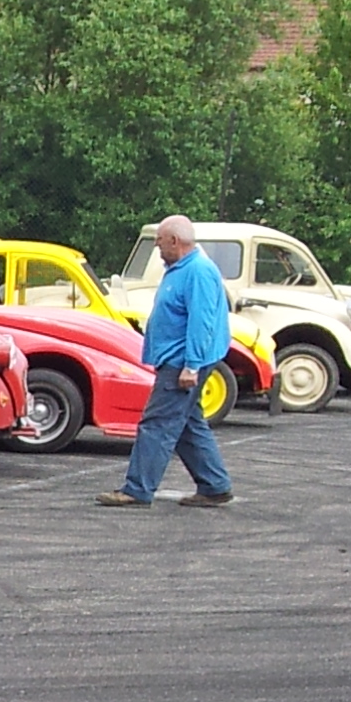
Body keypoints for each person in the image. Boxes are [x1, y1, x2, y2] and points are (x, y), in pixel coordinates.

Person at [100, 215, 235, 508]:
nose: (157, 246)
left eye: (159, 241)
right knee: (187, 424)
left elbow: (202, 322)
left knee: (157, 424)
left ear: (174, 241)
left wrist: (191, 365)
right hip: (178, 359)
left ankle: (137, 489)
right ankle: (214, 485)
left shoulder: (198, 272)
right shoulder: (180, 268)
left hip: (182, 362)